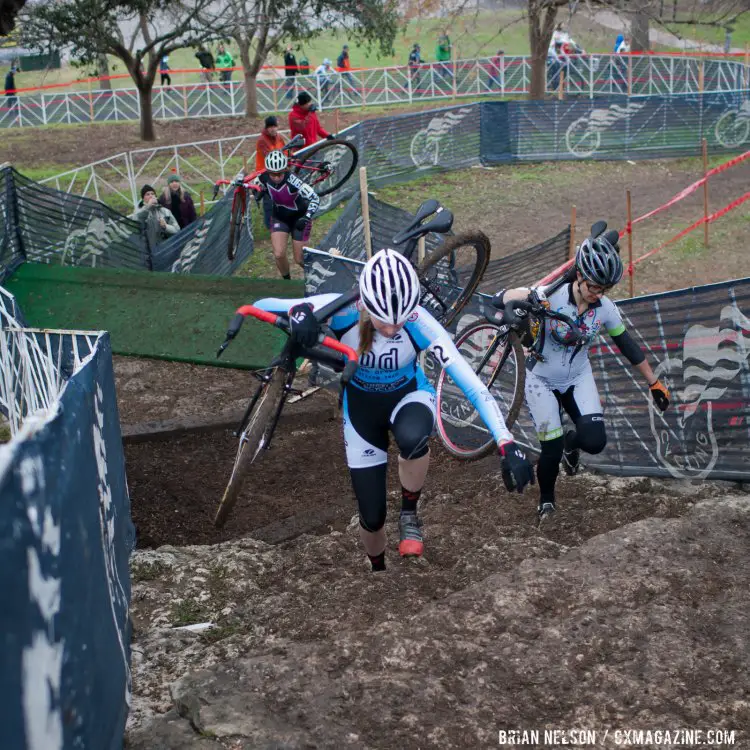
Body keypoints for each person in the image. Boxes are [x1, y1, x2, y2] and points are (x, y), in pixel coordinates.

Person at [253, 249, 535, 571]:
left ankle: (409, 513)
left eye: (400, 320)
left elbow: (472, 384)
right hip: (360, 411)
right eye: (384, 321)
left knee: (414, 437)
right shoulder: (341, 308)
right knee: (371, 517)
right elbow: (261, 306)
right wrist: (299, 316)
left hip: (408, 397)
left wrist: (505, 442)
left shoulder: (418, 321)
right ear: (366, 306)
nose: (392, 329)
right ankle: (378, 569)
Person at [496, 231, 670, 522]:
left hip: (577, 377)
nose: (597, 294)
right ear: (579, 275)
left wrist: (653, 382)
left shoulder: (605, 309)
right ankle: (547, 501)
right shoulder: (550, 296)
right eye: (593, 286)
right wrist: (507, 306)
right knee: (548, 449)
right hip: (540, 379)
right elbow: (501, 298)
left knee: (594, 441)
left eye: (604, 289)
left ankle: (570, 443)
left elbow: (627, 345)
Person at [253, 149, 320, 279]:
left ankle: (317, 278)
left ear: (285, 170)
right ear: (268, 171)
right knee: (278, 254)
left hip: (299, 219)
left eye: (280, 174)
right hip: (280, 218)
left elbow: (315, 198)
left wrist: (306, 217)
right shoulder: (262, 177)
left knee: (300, 259)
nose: (277, 177)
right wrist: (257, 193)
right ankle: (287, 283)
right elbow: (254, 186)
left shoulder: (293, 181)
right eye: (273, 174)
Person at [254, 116, 286, 229]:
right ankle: (270, 225)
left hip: (278, 172)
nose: (273, 129)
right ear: (266, 128)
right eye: (270, 127)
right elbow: (269, 157)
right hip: (264, 173)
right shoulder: (262, 140)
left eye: (275, 126)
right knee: (268, 199)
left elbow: (285, 151)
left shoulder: (279, 138)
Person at [130, 184, 179, 249]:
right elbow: (136, 220)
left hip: (166, 248)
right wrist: (148, 207)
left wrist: (166, 227)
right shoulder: (139, 211)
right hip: (148, 250)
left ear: (156, 196)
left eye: (152, 194)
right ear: (143, 199)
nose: (151, 196)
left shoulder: (165, 211)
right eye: (147, 194)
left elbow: (177, 230)